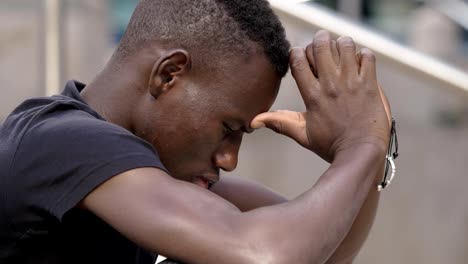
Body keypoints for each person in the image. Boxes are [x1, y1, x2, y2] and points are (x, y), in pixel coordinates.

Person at [0, 0, 392, 263]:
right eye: (228, 128)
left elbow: (326, 250)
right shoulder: (62, 141)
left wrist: (369, 154)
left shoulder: (151, 171)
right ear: (168, 74)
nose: (229, 159)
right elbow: (260, 253)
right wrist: (361, 145)